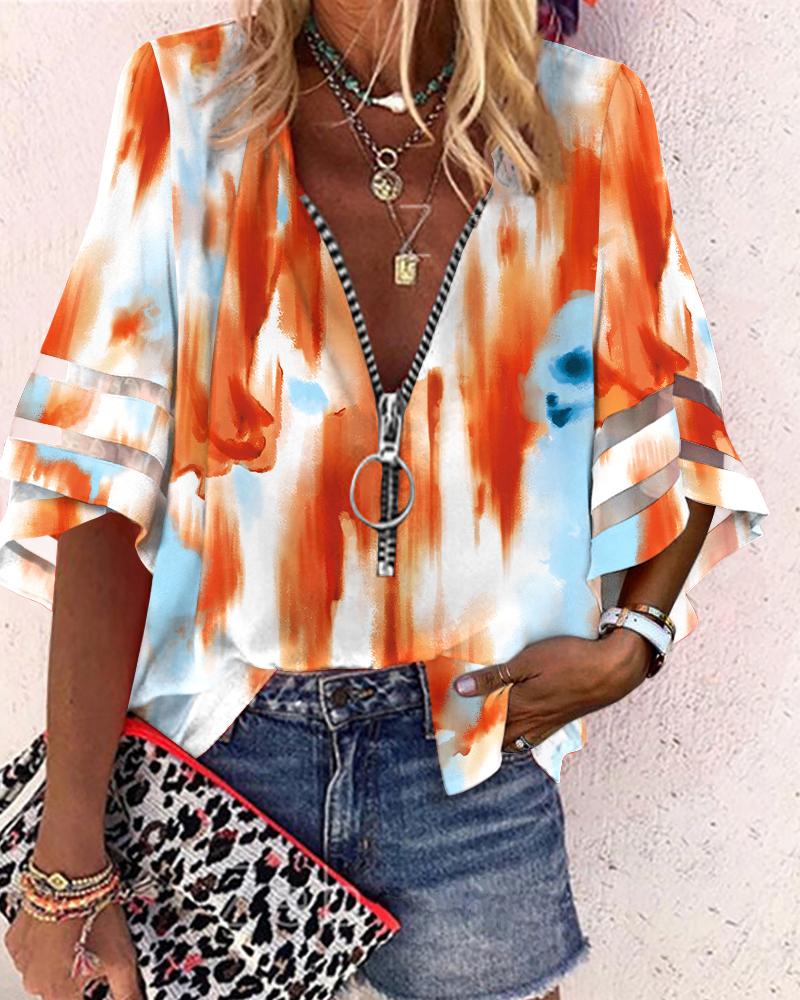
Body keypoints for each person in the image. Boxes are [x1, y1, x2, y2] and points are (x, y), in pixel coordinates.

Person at [0, 1, 768, 999]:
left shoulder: (588, 118)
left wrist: (635, 642)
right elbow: (100, 480)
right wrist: (66, 860)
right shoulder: (187, 101)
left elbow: (679, 421)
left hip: (475, 759)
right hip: (221, 749)